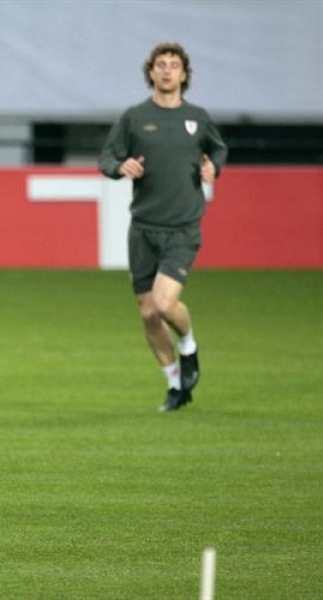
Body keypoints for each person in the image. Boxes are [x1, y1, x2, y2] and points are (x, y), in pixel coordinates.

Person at [98, 42, 227, 412]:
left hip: (183, 227)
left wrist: (212, 168)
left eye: (174, 65)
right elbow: (108, 156)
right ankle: (175, 386)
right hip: (143, 228)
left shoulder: (198, 118)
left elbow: (218, 151)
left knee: (164, 303)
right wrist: (121, 166)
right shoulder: (135, 118)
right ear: (150, 72)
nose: (168, 70)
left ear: (184, 74)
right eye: (161, 65)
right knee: (147, 313)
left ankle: (188, 345)